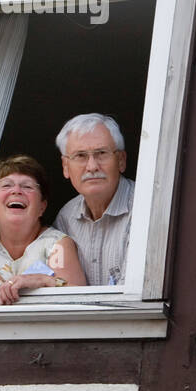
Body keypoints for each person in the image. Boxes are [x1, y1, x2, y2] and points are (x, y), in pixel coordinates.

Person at [0, 154, 86, 304]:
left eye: (27, 186)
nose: (17, 191)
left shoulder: (58, 245)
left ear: (42, 207)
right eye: (6, 185)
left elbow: (78, 303)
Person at [52, 113, 135, 286]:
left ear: (121, 160)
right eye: (80, 156)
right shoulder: (65, 218)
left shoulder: (144, 209)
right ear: (65, 167)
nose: (92, 167)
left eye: (102, 153)